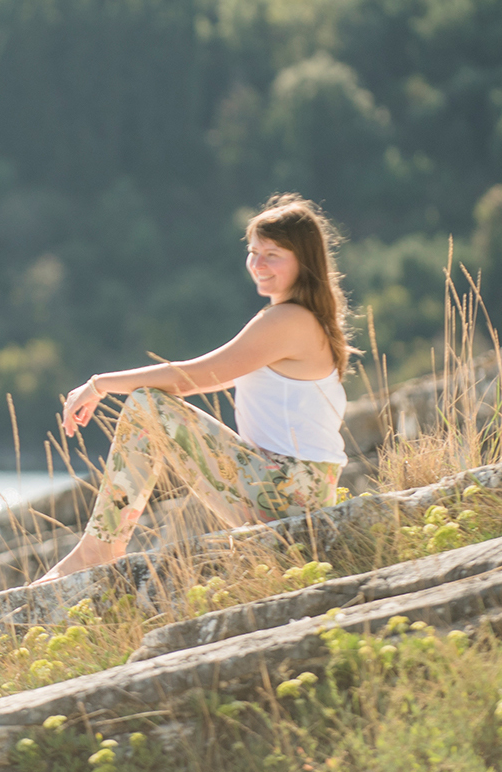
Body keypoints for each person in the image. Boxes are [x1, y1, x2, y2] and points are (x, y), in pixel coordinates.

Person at [35, 194, 356, 583]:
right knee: (148, 406)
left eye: (273, 254)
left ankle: (98, 550)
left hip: (288, 491)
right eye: (254, 252)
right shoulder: (299, 319)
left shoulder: (289, 321)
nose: (258, 264)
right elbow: (214, 378)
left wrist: (100, 384)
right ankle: (98, 548)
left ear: (304, 261)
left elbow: (191, 378)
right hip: (295, 490)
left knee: (147, 406)